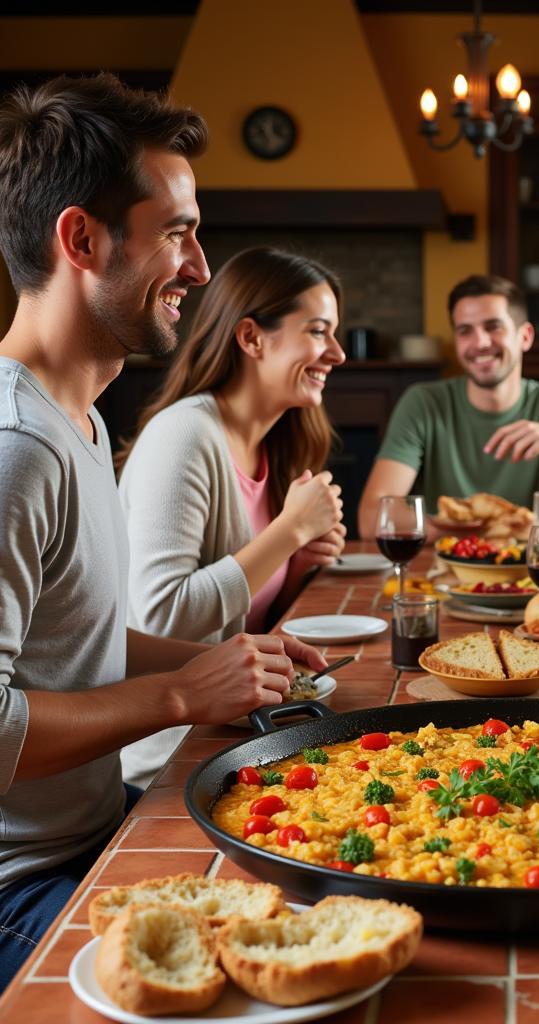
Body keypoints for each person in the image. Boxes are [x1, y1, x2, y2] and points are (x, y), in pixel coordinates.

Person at [0, 74, 324, 990]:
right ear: (81, 239)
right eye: (177, 231)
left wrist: (227, 655)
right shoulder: (15, 447)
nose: (200, 265)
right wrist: (183, 696)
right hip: (20, 885)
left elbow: (75, 640)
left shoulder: (84, 421)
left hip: (94, 832)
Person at [116, 247, 346, 788]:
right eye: (318, 331)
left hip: (243, 732)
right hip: (170, 760)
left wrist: (295, 562)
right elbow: (161, 617)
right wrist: (288, 532)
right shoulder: (184, 436)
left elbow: (249, 625)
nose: (335, 352)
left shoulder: (277, 444)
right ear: (250, 338)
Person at [357, 274, 539, 541]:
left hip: (527, 574)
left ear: (525, 336)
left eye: (493, 326)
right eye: (465, 331)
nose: (480, 343)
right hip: (447, 573)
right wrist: (485, 528)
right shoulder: (423, 403)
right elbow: (372, 520)